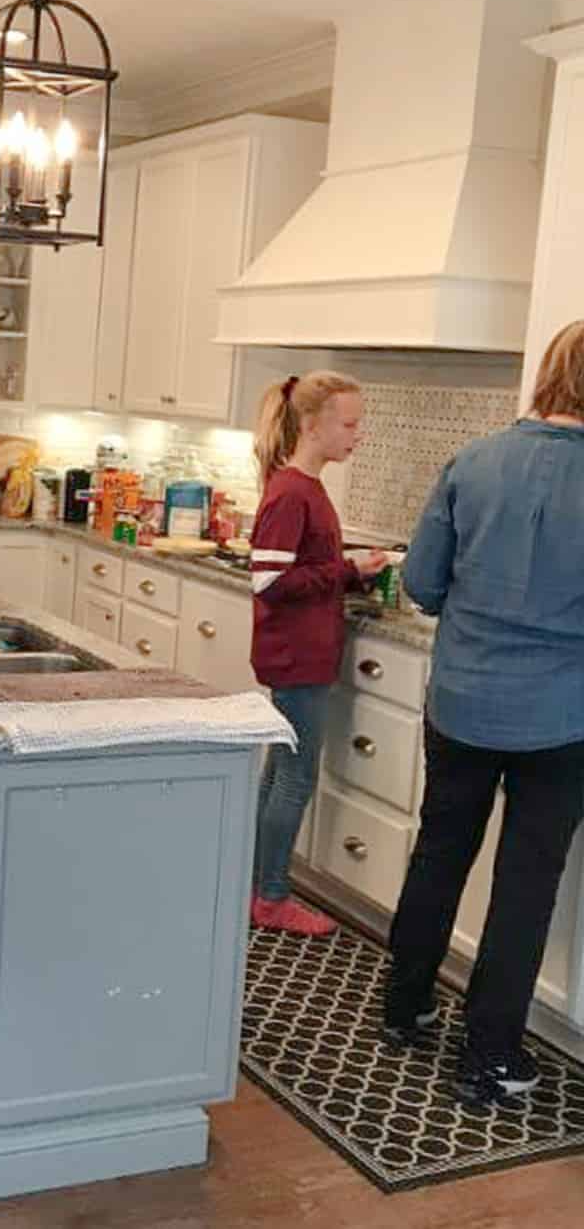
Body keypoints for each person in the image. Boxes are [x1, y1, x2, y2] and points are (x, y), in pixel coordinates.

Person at [384, 319, 584, 1102]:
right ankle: (490, 1058)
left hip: (462, 700)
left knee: (440, 849)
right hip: (563, 720)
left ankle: (404, 1007)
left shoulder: (474, 461)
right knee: (525, 884)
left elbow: (423, 585)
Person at [249, 372, 387, 936]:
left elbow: (296, 566)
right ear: (311, 425)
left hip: (300, 653)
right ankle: (272, 896)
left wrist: (350, 566)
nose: (359, 435)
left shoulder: (304, 487)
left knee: (278, 771)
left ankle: (254, 884)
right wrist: (349, 571)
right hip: (298, 657)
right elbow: (267, 580)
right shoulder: (292, 491)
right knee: (295, 777)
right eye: (349, 424)